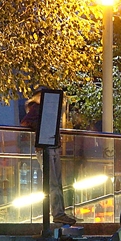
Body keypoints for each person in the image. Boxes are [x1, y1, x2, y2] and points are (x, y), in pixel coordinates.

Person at [21, 92, 76, 225]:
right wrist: (42, 129)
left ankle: (59, 212)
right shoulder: (38, 108)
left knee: (55, 181)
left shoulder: (40, 109)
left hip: (51, 146)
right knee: (53, 182)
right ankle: (58, 213)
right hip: (47, 147)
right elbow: (26, 122)